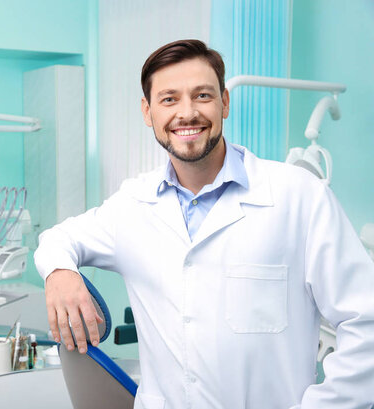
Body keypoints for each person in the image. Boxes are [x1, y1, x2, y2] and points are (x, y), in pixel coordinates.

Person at [34, 39, 374, 408]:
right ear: (148, 112)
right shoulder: (132, 204)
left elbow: (365, 319)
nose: (187, 113)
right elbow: (58, 239)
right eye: (169, 99)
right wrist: (59, 273)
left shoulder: (300, 196)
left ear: (224, 102)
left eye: (202, 96)